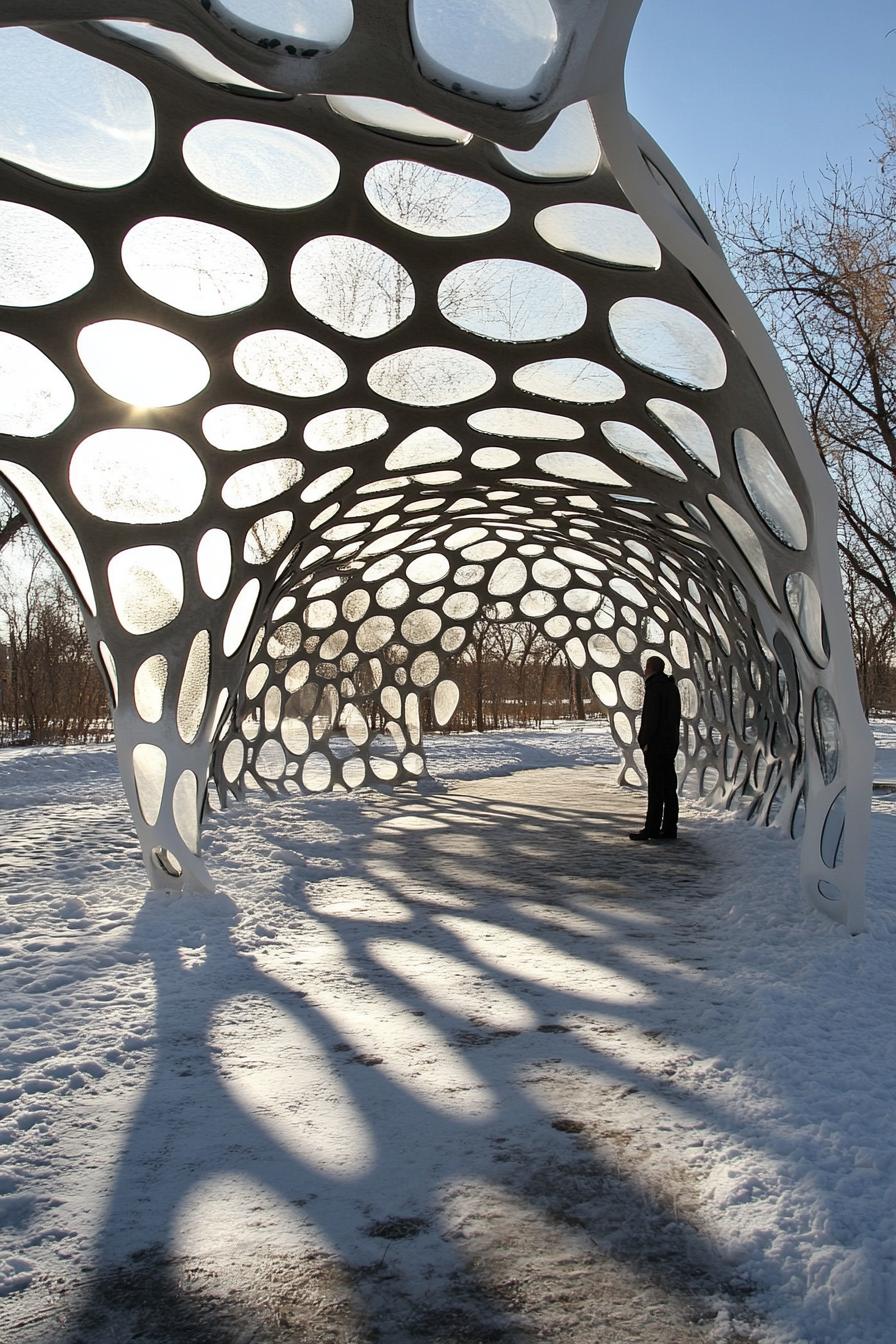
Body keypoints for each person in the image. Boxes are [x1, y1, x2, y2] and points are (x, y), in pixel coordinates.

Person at [628, 656, 681, 843]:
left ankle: (651, 828)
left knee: (656, 789)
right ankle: (669, 828)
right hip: (670, 745)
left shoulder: (654, 688)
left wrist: (644, 741)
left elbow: (650, 719)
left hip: (656, 746)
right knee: (669, 789)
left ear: (650, 668)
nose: (644, 671)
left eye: (646, 667)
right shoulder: (671, 687)